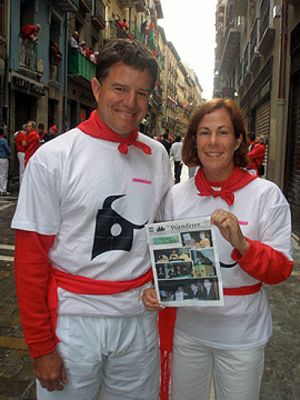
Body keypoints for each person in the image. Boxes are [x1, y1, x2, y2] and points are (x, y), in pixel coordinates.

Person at [11, 38, 173, 400]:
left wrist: (167, 287)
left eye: (142, 93)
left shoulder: (158, 156)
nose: (130, 103)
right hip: (72, 324)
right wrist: (41, 347)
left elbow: (164, 237)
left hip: (138, 321)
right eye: (120, 88)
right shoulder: (54, 158)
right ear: (97, 87)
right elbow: (31, 259)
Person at [143, 98, 294, 400]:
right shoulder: (175, 196)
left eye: (223, 132)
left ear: (239, 140)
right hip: (187, 334)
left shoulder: (266, 195)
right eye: (204, 132)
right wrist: (154, 287)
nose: (213, 142)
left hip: (243, 337)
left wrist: (242, 244)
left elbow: (280, 270)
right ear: (194, 140)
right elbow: (159, 258)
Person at [0, 127, 11, 195]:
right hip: (3, 158)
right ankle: (3, 190)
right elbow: (8, 150)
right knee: (4, 174)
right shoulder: (3, 140)